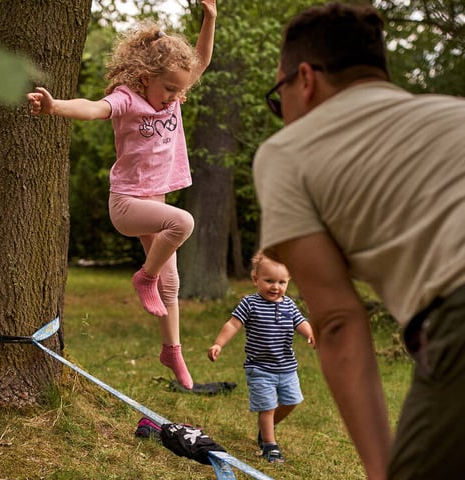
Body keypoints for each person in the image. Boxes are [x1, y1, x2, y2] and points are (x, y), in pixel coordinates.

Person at [253, 2, 465, 479]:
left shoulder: (288, 152)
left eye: (277, 95)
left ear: (304, 79)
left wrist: (379, 468)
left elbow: (336, 321)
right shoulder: (455, 113)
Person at [26, 0, 217, 390]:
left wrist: (209, 18)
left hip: (154, 201)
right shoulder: (128, 99)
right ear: (146, 77)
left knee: (172, 284)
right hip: (128, 205)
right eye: (169, 89)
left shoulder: (175, 91)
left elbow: (202, 59)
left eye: (180, 90)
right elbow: (93, 109)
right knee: (183, 223)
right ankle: (143, 277)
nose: (175, 97)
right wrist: (54, 106)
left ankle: (172, 350)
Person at [207, 251, 314, 463]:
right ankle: (269, 445)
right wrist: (219, 343)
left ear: (288, 281)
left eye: (281, 282)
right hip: (260, 368)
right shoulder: (250, 303)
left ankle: (268, 427)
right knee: (267, 408)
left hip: (287, 367)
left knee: (292, 401)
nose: (275, 287)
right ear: (256, 279)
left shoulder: (289, 305)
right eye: (269, 281)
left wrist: (311, 334)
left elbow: (301, 323)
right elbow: (233, 324)